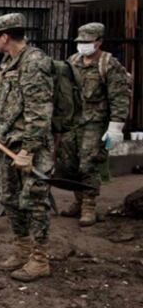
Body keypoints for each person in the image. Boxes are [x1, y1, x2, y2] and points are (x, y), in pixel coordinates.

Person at [0, 13, 55, 281]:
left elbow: (39, 112)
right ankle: (21, 250)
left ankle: (40, 259)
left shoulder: (35, 63)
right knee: (10, 200)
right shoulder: (2, 68)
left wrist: (28, 151)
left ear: (4, 36)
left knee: (35, 202)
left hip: (28, 150)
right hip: (4, 149)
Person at [55, 22, 131, 226]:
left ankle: (89, 205)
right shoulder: (73, 61)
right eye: (81, 42)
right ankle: (78, 201)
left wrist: (115, 126)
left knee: (89, 163)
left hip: (95, 123)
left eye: (88, 42)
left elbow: (119, 97)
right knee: (69, 163)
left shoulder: (108, 64)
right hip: (73, 122)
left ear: (98, 42)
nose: (83, 45)